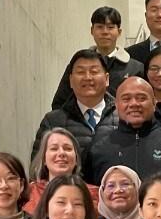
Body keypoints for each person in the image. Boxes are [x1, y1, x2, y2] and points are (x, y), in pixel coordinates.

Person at [31, 50, 115, 179]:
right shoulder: (52, 121)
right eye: (81, 72)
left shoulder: (123, 117)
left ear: (107, 78)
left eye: (94, 72)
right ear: (70, 80)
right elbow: (37, 170)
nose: (88, 77)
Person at [87, 77, 161, 184]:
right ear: (116, 105)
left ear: (154, 103)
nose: (134, 104)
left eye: (141, 98)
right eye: (126, 99)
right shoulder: (99, 149)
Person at [50, 6, 143, 110]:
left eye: (110, 27)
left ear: (119, 32)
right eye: (99, 27)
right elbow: (59, 103)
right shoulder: (77, 66)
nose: (105, 32)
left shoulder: (135, 68)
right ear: (92, 30)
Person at [26, 128, 100, 214]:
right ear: (44, 159)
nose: (61, 153)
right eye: (54, 148)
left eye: (67, 148)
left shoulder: (94, 195)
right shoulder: (29, 192)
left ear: (76, 159)